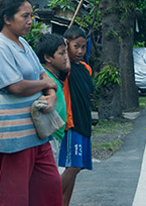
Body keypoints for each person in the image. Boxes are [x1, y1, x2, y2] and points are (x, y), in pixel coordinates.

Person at [0, 0, 63, 206]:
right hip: (15, 135)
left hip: (39, 132)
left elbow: (43, 74)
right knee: (15, 198)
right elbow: (16, 86)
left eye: (32, 16)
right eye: (25, 15)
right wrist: (48, 85)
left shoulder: (24, 45)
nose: (30, 21)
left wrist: (52, 95)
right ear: (7, 18)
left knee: (49, 190)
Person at [59, 26, 93, 206]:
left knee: (76, 168)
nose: (80, 51)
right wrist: (63, 47)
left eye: (83, 47)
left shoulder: (86, 68)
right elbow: (62, 66)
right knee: (73, 166)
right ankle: (47, 198)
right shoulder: (66, 68)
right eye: (75, 46)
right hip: (72, 124)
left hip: (84, 123)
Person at [35, 33, 70, 165]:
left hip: (56, 134)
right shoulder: (45, 77)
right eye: (61, 53)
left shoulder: (54, 76)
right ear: (48, 58)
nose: (66, 57)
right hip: (51, 136)